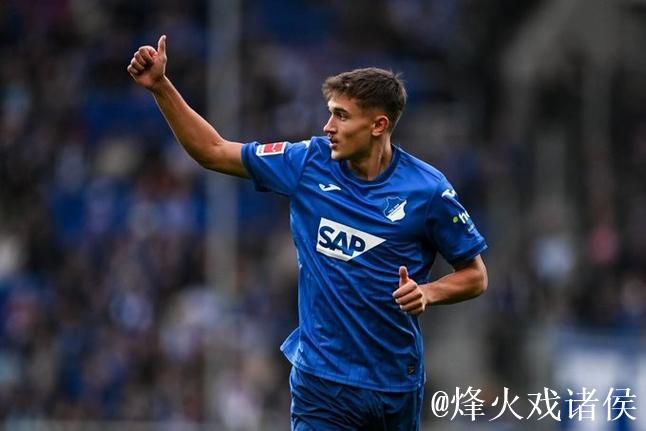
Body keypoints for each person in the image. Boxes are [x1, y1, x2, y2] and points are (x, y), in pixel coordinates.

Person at [127, 35, 488, 430]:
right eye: (330, 113)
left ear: (378, 125)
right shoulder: (307, 162)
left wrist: (428, 292)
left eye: (341, 116)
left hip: (394, 385)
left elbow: (475, 275)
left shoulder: (428, 190)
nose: (328, 126)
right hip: (322, 384)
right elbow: (213, 151)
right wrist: (161, 87)